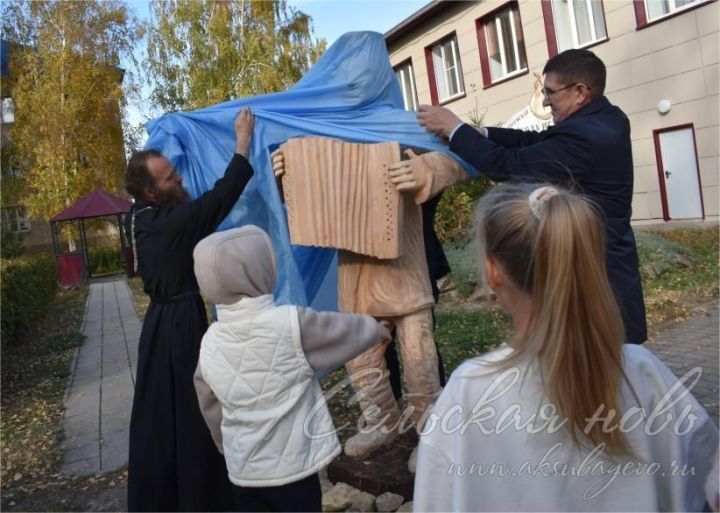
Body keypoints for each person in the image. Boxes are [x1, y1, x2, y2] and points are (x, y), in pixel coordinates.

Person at [412, 184, 718, 512]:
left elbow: (434, 500)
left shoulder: (469, 390)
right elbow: (710, 473)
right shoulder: (644, 373)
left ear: (492, 272)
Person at [417, 48, 647, 344]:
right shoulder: (606, 118)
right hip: (607, 269)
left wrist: (454, 127)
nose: (546, 100)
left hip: (597, 277)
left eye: (550, 92)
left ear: (580, 92)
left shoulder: (585, 137)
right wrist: (480, 132)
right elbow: (535, 140)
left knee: (602, 371)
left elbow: (507, 166)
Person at [192, 225, 392, 512]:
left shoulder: (210, 341)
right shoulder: (290, 324)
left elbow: (208, 400)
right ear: (262, 270)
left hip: (244, 470)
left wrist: (224, 443)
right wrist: (374, 329)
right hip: (293, 467)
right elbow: (338, 332)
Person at [123, 108, 255, 511]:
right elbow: (217, 200)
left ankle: (179, 494)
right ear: (150, 192)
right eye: (169, 177)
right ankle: (201, 497)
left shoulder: (141, 217)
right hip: (178, 328)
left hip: (162, 325)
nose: (178, 177)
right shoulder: (167, 223)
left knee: (165, 417)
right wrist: (243, 143)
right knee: (194, 411)